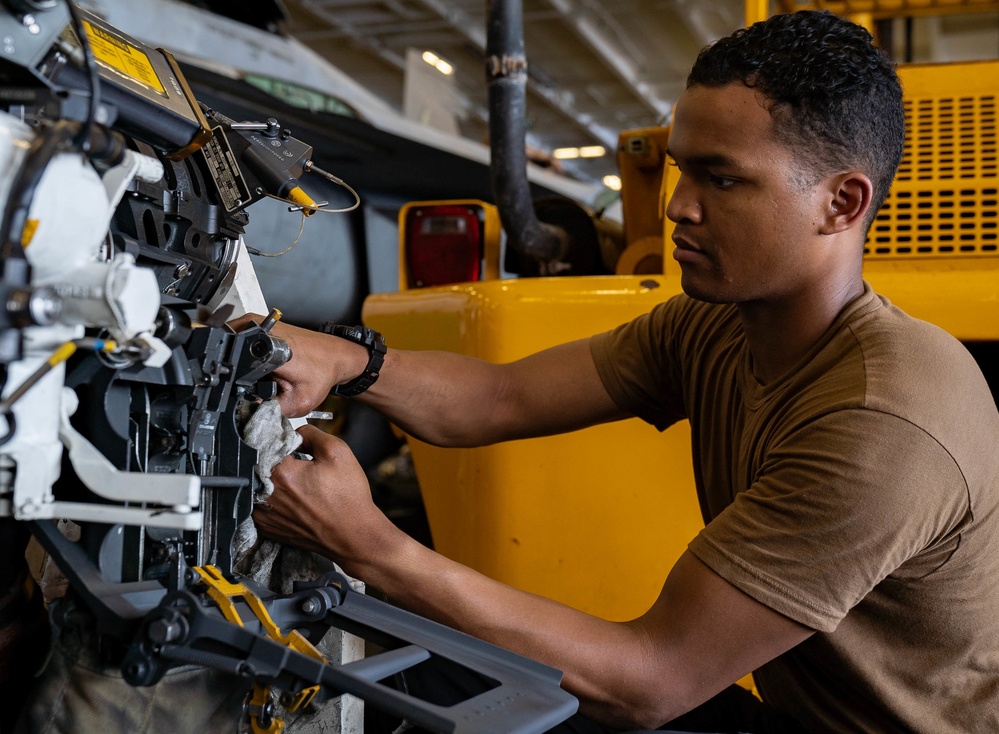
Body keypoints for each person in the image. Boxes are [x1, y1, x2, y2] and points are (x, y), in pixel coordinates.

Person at [248, 10, 999, 733]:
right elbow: (497, 397)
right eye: (680, 171)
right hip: (791, 717)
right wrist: (343, 358)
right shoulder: (716, 323)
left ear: (841, 203)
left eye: (721, 179)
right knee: (420, 675)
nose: (677, 208)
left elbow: (647, 682)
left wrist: (370, 546)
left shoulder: (883, 417)